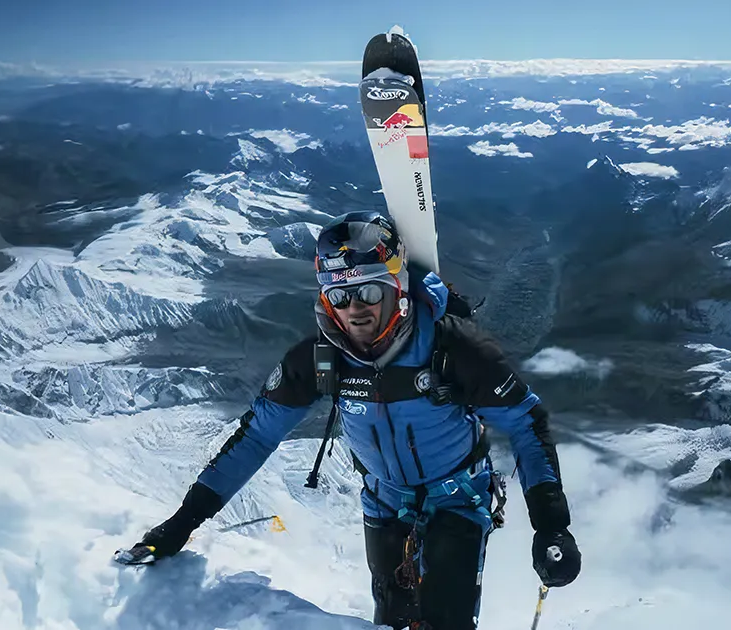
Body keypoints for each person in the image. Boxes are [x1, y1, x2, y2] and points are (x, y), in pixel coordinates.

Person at [126, 211, 581, 629]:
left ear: (398, 286)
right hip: (384, 502)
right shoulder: (321, 360)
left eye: (369, 291)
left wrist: (551, 525)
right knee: (392, 623)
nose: (355, 309)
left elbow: (526, 421)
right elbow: (257, 437)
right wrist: (182, 523)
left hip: (457, 499)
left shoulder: (452, 349)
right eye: (340, 296)